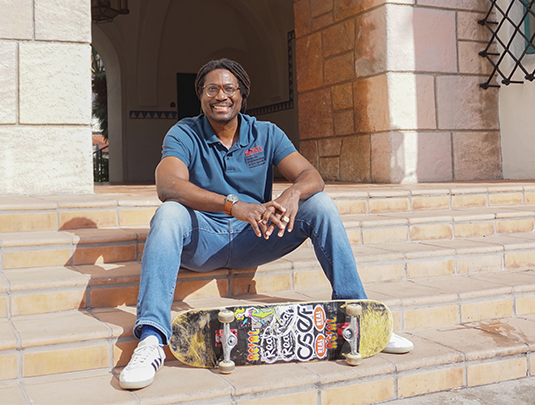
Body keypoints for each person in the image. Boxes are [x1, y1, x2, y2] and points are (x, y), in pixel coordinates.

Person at [118, 58, 413, 390]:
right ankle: (152, 340)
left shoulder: (266, 133)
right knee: (169, 213)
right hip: (203, 240)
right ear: (200, 96)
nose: (221, 96)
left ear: (242, 95)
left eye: (229, 89)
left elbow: (311, 176)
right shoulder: (184, 132)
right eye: (211, 89)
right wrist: (233, 205)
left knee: (319, 204)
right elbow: (168, 185)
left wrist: (292, 194)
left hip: (254, 239)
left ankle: (356, 315)